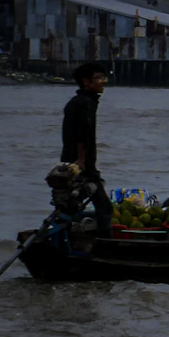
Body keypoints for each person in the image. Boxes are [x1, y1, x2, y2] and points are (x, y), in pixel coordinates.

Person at [60, 62, 113, 234]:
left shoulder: (78, 101)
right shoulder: (85, 103)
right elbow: (83, 134)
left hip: (72, 161)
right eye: (98, 78)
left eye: (104, 77)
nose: (103, 81)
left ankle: (64, 237)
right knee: (104, 208)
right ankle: (106, 245)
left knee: (70, 206)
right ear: (86, 82)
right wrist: (82, 161)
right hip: (81, 165)